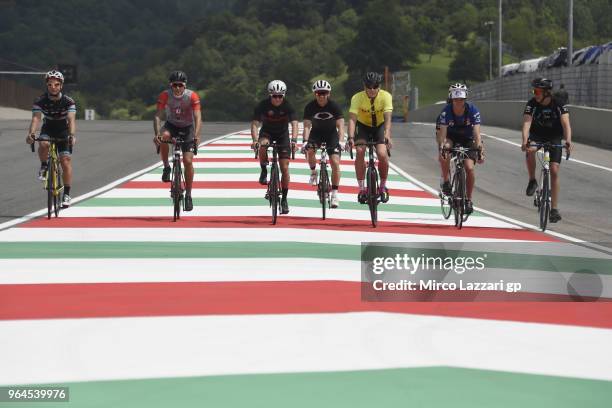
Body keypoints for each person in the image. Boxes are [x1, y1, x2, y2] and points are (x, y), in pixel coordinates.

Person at [521, 77, 572, 223]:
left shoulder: (558, 104)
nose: (534, 93)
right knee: (530, 150)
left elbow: (566, 124)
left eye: (537, 91)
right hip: (537, 135)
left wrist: (568, 141)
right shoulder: (532, 104)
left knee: (554, 171)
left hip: (554, 137)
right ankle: (532, 180)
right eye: (534, 90)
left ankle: (554, 209)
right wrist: (525, 141)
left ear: (546, 93)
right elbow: (526, 124)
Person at [26, 69, 77, 208]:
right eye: (50, 84)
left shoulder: (68, 101)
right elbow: (36, 119)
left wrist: (72, 135)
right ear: (47, 85)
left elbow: (71, 120)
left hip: (63, 130)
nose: (53, 87)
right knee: (43, 144)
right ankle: (44, 166)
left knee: (65, 161)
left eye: (56, 84)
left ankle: (66, 194)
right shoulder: (40, 100)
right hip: (48, 128)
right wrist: (31, 134)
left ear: (61, 86)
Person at [153, 70, 202, 212]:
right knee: (164, 137)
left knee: (187, 161)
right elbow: (158, 115)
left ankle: (189, 195)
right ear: (171, 85)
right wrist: (157, 134)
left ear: (185, 85)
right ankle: (167, 166)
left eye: (180, 85)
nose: (177, 88)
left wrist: (196, 136)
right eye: (174, 85)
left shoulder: (192, 96)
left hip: (187, 128)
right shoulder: (165, 95)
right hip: (171, 125)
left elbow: (198, 117)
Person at [251, 80, 299, 214]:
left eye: (280, 96)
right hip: (267, 133)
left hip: (282, 135)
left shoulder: (288, 106)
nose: (277, 99)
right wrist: (255, 140)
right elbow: (255, 124)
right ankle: (264, 170)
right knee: (262, 145)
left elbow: (295, 123)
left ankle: (284, 199)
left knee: (285, 168)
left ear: (284, 95)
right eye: (274, 96)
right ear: (270, 95)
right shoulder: (263, 105)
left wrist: (294, 140)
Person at [436, 83, 484, 215]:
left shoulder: (473, 110)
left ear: (465, 99)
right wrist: (442, 147)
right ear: (451, 99)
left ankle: (468, 199)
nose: (458, 102)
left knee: (469, 168)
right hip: (451, 137)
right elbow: (443, 134)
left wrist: (479, 148)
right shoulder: (446, 111)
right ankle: (446, 181)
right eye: (456, 100)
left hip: (467, 139)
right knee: (445, 150)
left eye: (461, 100)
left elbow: (477, 133)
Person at [347, 72, 393, 204]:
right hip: (363, 128)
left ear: (379, 86)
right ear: (364, 86)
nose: (372, 89)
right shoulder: (357, 98)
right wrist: (350, 137)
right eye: (369, 86)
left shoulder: (386, 96)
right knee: (360, 151)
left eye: (375, 86)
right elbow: (352, 119)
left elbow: (388, 118)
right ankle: (361, 189)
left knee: (382, 154)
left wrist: (387, 134)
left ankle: (383, 186)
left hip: (379, 127)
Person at [301, 80, 345, 208]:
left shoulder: (334, 106)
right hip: (316, 134)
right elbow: (307, 126)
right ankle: (314, 172)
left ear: (328, 93)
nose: (321, 96)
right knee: (310, 151)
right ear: (315, 94)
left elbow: (341, 125)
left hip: (331, 134)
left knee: (335, 162)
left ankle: (335, 193)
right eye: (319, 93)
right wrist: (305, 142)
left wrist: (341, 141)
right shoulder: (310, 107)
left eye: (324, 93)